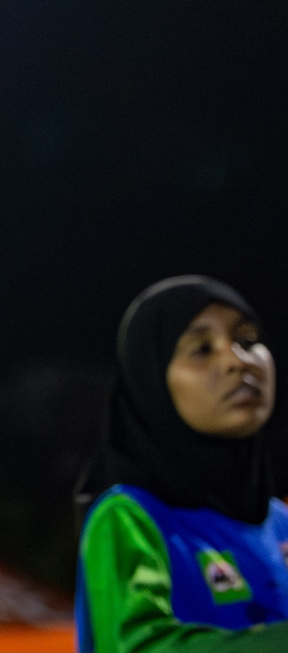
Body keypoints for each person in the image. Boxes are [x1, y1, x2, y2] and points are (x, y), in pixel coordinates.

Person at [75, 275, 288, 651]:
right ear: (153, 378)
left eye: (248, 341)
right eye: (202, 349)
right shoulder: (130, 517)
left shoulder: (278, 522)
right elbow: (136, 646)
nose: (238, 362)